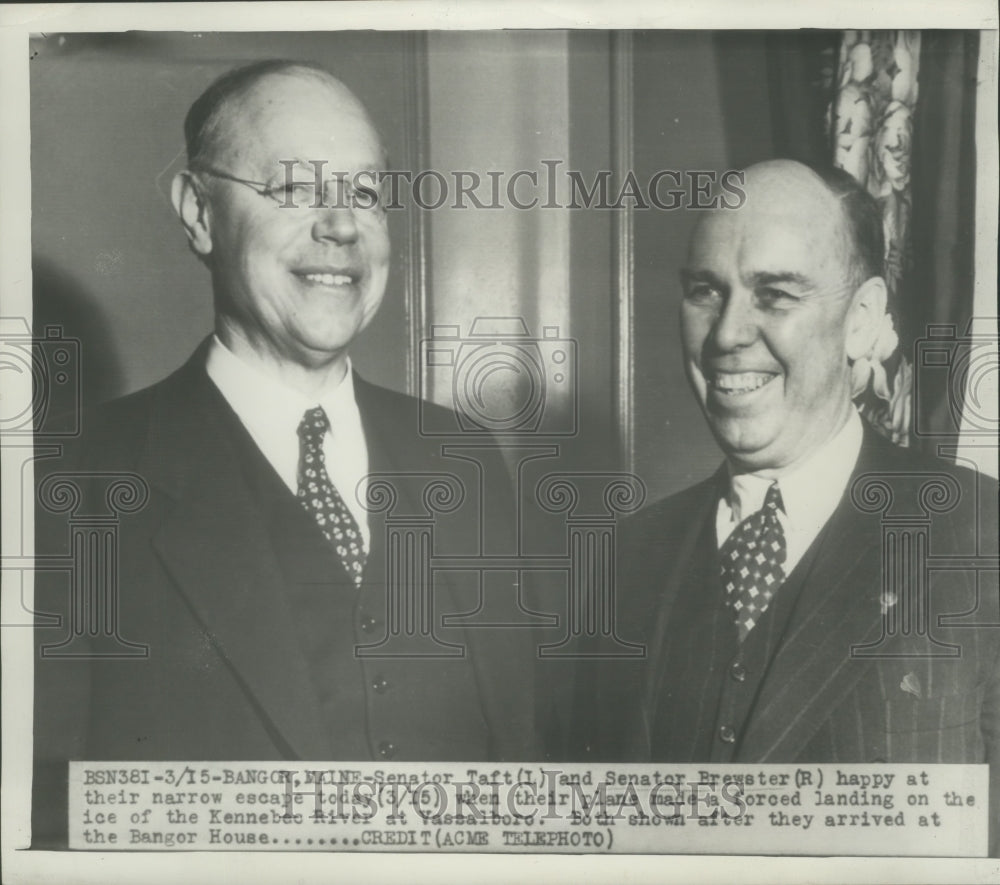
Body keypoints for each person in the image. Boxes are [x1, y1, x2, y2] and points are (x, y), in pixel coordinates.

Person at [32, 60, 537, 842]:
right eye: (299, 188)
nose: (341, 225)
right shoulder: (69, 487)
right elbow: (43, 821)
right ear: (199, 211)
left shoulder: (462, 462)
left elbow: (524, 778)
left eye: (365, 194)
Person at [577, 160, 999, 849]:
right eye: (705, 291)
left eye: (774, 295)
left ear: (861, 321)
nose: (726, 335)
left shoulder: (979, 538)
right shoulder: (623, 562)